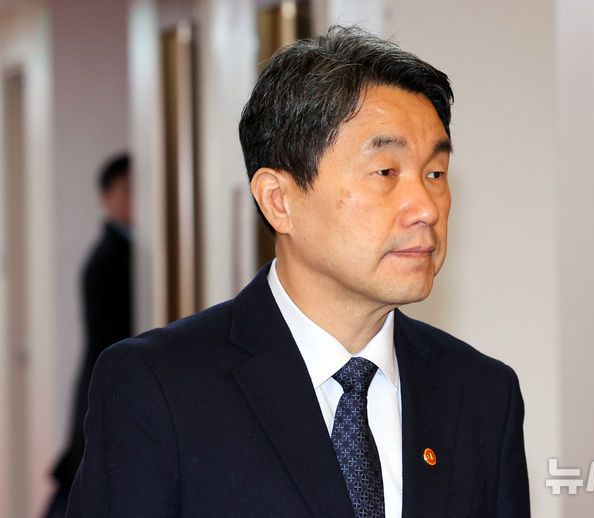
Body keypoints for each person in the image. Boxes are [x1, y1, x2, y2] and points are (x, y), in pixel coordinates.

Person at [67, 27, 530, 517]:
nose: (426, 208)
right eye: (385, 172)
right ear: (278, 200)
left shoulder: (481, 394)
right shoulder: (160, 388)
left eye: (435, 174)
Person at [46, 154, 133, 518]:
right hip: (104, 382)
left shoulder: (124, 252)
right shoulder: (112, 257)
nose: (135, 199)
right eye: (126, 190)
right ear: (106, 198)